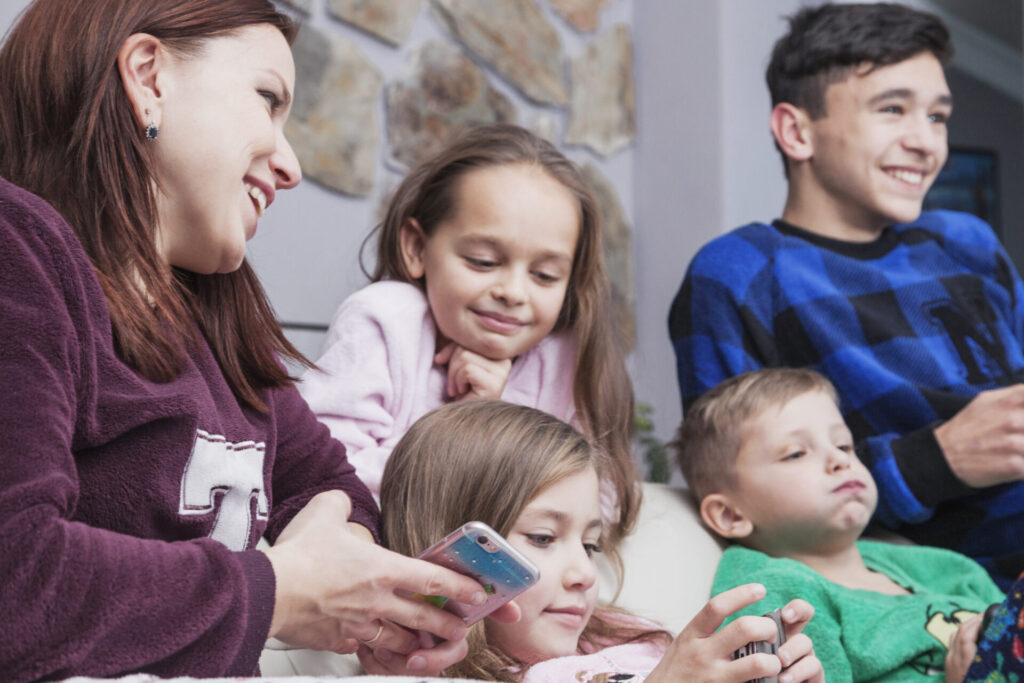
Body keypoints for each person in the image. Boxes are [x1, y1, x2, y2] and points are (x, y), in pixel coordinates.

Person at [0, 1, 515, 678]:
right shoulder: (18, 248)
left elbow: (331, 483)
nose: (292, 165)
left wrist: (353, 588)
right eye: (268, 98)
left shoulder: (215, 327)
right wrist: (279, 590)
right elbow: (17, 578)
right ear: (149, 76)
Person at [668, 1, 1024, 584]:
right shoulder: (739, 273)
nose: (926, 143)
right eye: (892, 110)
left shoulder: (969, 241)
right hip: (948, 593)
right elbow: (736, 488)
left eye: (937, 116)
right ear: (796, 131)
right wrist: (936, 461)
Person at [299, 123, 638, 545]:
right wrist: (464, 441)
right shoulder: (386, 321)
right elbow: (319, 475)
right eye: (482, 261)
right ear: (417, 248)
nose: (513, 292)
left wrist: (494, 423)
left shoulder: (567, 358)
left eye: (545, 275)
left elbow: (602, 508)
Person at [367, 400, 825, 681]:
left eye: (590, 546)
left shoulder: (631, 640)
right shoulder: (416, 667)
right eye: (544, 537)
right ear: (453, 550)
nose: (585, 574)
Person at [676, 367, 1011, 681]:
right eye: (796, 453)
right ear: (731, 515)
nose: (840, 460)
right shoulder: (774, 595)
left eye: (844, 445)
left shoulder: (945, 567)